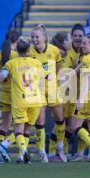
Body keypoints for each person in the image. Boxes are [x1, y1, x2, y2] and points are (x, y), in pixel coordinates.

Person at [0, 39, 48, 164]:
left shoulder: (10, 64)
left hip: (20, 100)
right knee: (27, 130)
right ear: (29, 50)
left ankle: (21, 151)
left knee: (19, 130)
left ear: (16, 51)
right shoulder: (36, 62)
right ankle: (20, 155)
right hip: (35, 100)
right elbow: (46, 75)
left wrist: (0, 75)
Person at [64, 34, 90, 162]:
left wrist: (81, 99)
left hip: (88, 96)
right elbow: (77, 70)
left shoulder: (88, 59)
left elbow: (87, 80)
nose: (81, 46)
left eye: (84, 44)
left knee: (74, 125)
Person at [29, 24, 67, 162]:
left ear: (44, 37)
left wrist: (57, 81)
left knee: (60, 119)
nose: (34, 39)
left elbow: (58, 67)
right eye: (32, 37)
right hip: (37, 91)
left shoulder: (54, 50)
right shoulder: (29, 52)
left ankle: (60, 147)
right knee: (40, 122)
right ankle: (42, 152)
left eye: (37, 37)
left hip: (52, 89)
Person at [48, 31, 79, 161]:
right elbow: (62, 76)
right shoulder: (57, 56)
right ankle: (52, 152)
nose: (72, 41)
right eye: (69, 39)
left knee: (70, 125)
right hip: (61, 94)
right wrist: (78, 68)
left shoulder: (71, 53)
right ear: (63, 43)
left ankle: (61, 151)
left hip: (71, 93)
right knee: (60, 123)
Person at [0, 30, 19, 164]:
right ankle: (14, 150)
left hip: (3, 94)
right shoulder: (16, 56)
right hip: (16, 95)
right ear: (17, 41)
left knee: (4, 125)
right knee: (23, 126)